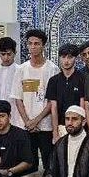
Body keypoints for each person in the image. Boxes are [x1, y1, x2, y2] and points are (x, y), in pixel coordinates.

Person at [12, 29, 58, 164]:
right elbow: (18, 98)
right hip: (26, 126)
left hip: (45, 125)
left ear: (43, 46)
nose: (33, 47)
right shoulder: (21, 69)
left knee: (49, 163)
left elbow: (52, 101)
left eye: (36, 43)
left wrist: (36, 120)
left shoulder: (52, 69)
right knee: (29, 163)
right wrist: (28, 122)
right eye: (30, 43)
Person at [0, 100, 37, 177]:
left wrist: (8, 171)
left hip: (15, 176)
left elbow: (28, 162)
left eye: (2, 116)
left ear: (9, 116)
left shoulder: (20, 134)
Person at [46, 43, 87, 138]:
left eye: (70, 57)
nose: (66, 61)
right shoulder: (53, 80)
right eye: (63, 57)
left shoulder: (83, 79)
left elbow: (83, 106)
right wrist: (55, 132)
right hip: (60, 127)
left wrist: (81, 128)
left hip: (78, 127)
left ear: (76, 59)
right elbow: (53, 107)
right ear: (59, 58)